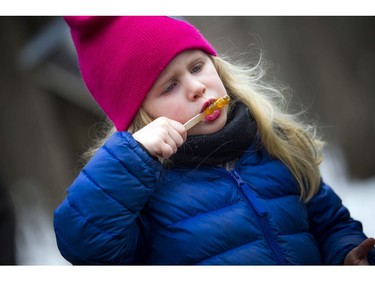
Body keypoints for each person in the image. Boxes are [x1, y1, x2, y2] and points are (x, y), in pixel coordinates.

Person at [53, 16, 375, 265]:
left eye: (197, 66)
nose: (196, 87)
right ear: (142, 120)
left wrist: (345, 255)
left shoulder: (274, 146)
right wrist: (131, 156)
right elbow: (83, 243)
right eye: (169, 87)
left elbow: (332, 225)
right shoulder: (142, 199)